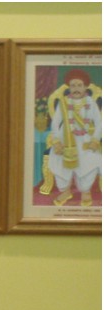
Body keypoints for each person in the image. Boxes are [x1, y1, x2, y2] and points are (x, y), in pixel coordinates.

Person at [45, 68, 102, 207]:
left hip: (86, 140)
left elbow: (100, 122)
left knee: (89, 161)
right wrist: (57, 141)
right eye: (73, 85)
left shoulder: (90, 102)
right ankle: (65, 191)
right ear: (69, 87)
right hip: (66, 140)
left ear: (85, 87)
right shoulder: (64, 102)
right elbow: (55, 123)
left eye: (79, 85)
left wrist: (95, 140)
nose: (76, 89)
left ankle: (85, 191)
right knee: (59, 163)